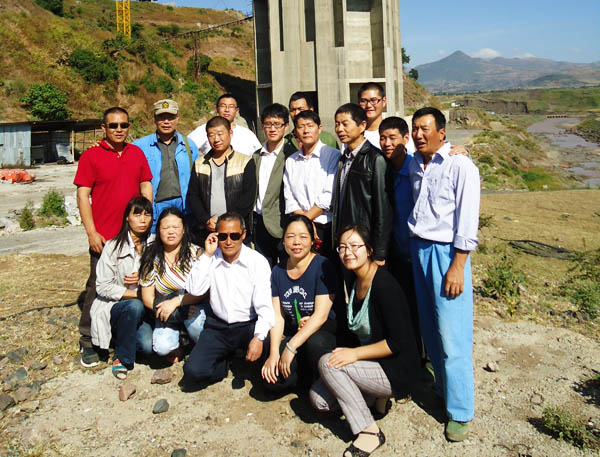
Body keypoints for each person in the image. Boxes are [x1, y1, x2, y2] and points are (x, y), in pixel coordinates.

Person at [310, 225, 420, 457]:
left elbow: (397, 343)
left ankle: (369, 432)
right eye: (342, 247)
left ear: (369, 250)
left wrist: (354, 354)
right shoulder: (353, 279)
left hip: (395, 369)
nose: (347, 252)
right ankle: (374, 399)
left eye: (354, 246)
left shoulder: (384, 285)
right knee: (319, 401)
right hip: (371, 363)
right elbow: (348, 325)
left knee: (328, 364)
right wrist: (313, 323)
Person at [408, 107, 480, 442]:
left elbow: (467, 219)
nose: (418, 134)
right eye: (415, 128)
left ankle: (460, 411)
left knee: (453, 334)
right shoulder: (414, 163)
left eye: (425, 128)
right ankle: (442, 389)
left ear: (442, 132)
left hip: (447, 253)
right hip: (419, 248)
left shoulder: (459, 165)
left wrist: (458, 265)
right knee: (430, 328)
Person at [74, 106, 153, 368]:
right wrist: (91, 232)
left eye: (124, 125)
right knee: (96, 286)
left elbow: (145, 184)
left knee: (136, 282)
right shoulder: (91, 156)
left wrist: (147, 218)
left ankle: (129, 333)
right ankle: (88, 340)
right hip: (105, 236)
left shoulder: (136, 153)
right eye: (113, 125)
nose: (119, 130)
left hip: (135, 235)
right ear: (103, 128)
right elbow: (83, 195)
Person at [183, 212, 274, 385]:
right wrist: (207, 255)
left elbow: (265, 306)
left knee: (267, 353)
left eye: (234, 236)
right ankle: (224, 361)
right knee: (193, 372)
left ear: (243, 235)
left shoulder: (257, 261)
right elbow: (195, 289)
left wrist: (258, 337)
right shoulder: (211, 258)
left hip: (248, 325)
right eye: (223, 236)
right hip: (218, 327)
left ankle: (248, 358)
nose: (228, 241)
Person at [261, 215, 337, 391]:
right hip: (294, 333)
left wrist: (290, 347)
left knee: (315, 343)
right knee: (271, 382)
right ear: (283, 241)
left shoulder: (323, 265)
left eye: (303, 237)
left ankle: (323, 379)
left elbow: (321, 316)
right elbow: (278, 316)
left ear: (312, 241)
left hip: (321, 333)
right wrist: (274, 354)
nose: (296, 242)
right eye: (290, 236)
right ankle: (303, 376)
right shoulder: (278, 271)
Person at [89, 197, 154, 380]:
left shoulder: (154, 244)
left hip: (146, 308)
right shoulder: (113, 247)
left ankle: (125, 338)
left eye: (147, 214)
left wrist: (143, 278)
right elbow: (102, 286)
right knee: (134, 305)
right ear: (127, 217)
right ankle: (122, 358)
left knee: (149, 347)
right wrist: (137, 294)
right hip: (115, 306)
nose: (142, 220)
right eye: (137, 214)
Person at [139, 208, 207, 363]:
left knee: (196, 326)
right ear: (158, 230)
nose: (171, 232)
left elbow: (204, 292)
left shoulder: (196, 253)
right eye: (165, 228)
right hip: (164, 310)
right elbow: (147, 298)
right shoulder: (150, 257)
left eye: (175, 227)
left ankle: (197, 346)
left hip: (193, 304)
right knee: (162, 347)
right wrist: (169, 310)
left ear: (184, 229)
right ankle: (182, 343)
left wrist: (177, 302)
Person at [332, 103, 392, 265]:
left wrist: (379, 252)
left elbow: (383, 209)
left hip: (365, 242)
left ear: (362, 126)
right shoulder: (343, 158)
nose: (339, 129)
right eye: (337, 124)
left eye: (345, 124)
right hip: (346, 240)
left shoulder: (375, 159)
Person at [133, 99, 200, 234]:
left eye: (170, 117)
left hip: (184, 206)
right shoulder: (139, 146)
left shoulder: (189, 145)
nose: (166, 122)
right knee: (153, 243)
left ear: (177, 118)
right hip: (155, 207)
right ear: (154, 119)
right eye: (161, 117)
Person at [187, 116, 257, 243]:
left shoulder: (245, 162)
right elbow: (193, 195)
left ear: (230, 133)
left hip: (235, 233)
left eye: (220, 134)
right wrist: (206, 220)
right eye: (211, 135)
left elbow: (248, 198)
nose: (216, 139)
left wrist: (225, 223)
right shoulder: (199, 164)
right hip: (207, 232)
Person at [283, 110, 340, 260]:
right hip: (299, 229)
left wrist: (306, 221)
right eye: (301, 127)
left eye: (310, 125)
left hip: (324, 228)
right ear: (295, 132)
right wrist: (304, 224)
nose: (306, 130)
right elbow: (289, 197)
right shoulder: (291, 161)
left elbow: (329, 195)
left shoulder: (333, 155)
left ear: (319, 129)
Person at [251, 103, 297, 266]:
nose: (272, 129)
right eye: (268, 124)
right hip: (258, 223)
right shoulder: (256, 156)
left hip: (282, 224)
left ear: (286, 126)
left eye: (277, 124)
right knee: (263, 269)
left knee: (286, 269)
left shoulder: (292, 156)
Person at [188, 93, 261, 156]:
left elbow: (259, 156)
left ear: (237, 111)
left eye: (231, 106)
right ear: (217, 109)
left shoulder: (247, 134)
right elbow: (186, 148)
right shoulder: (204, 130)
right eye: (223, 106)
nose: (227, 110)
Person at [357, 82, 387, 150]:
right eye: (363, 101)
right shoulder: (353, 134)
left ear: (384, 101)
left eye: (373, 100)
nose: (368, 105)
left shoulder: (392, 132)